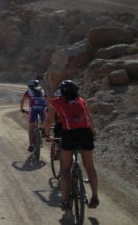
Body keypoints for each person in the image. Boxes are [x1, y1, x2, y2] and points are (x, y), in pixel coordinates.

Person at [42, 80, 99, 211]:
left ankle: (65, 201)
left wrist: (47, 135)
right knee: (90, 167)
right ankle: (95, 197)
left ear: (62, 92)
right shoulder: (82, 101)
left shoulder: (56, 102)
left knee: (65, 168)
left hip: (69, 135)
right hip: (86, 134)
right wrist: (94, 133)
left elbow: (49, 120)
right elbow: (89, 119)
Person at [20, 79, 47, 152]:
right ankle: (43, 130)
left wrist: (22, 109)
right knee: (44, 121)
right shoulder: (42, 91)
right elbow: (46, 100)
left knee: (31, 129)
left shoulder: (28, 91)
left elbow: (22, 100)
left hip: (33, 109)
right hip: (42, 109)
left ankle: (31, 145)